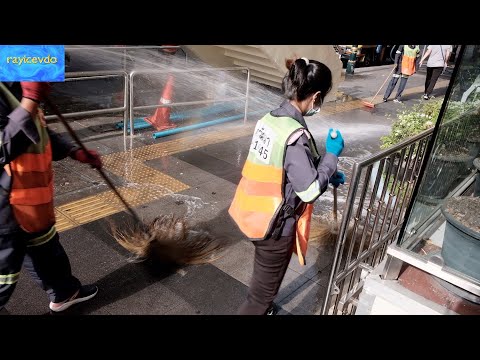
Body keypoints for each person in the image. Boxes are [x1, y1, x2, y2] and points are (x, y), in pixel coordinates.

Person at [228, 57, 346, 315]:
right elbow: (310, 190)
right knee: (258, 299)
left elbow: (283, 164)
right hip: (274, 226)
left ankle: (265, 305)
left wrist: (325, 171)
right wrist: (331, 157)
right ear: (315, 97)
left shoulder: (271, 119)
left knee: (265, 286)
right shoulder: (294, 135)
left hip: (253, 211)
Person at [0, 81, 103, 314]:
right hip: (5, 207)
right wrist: (30, 100)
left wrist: (73, 151)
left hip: (30, 200)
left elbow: (36, 128)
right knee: (3, 275)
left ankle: (65, 292)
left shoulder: (13, 81)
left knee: (45, 248)